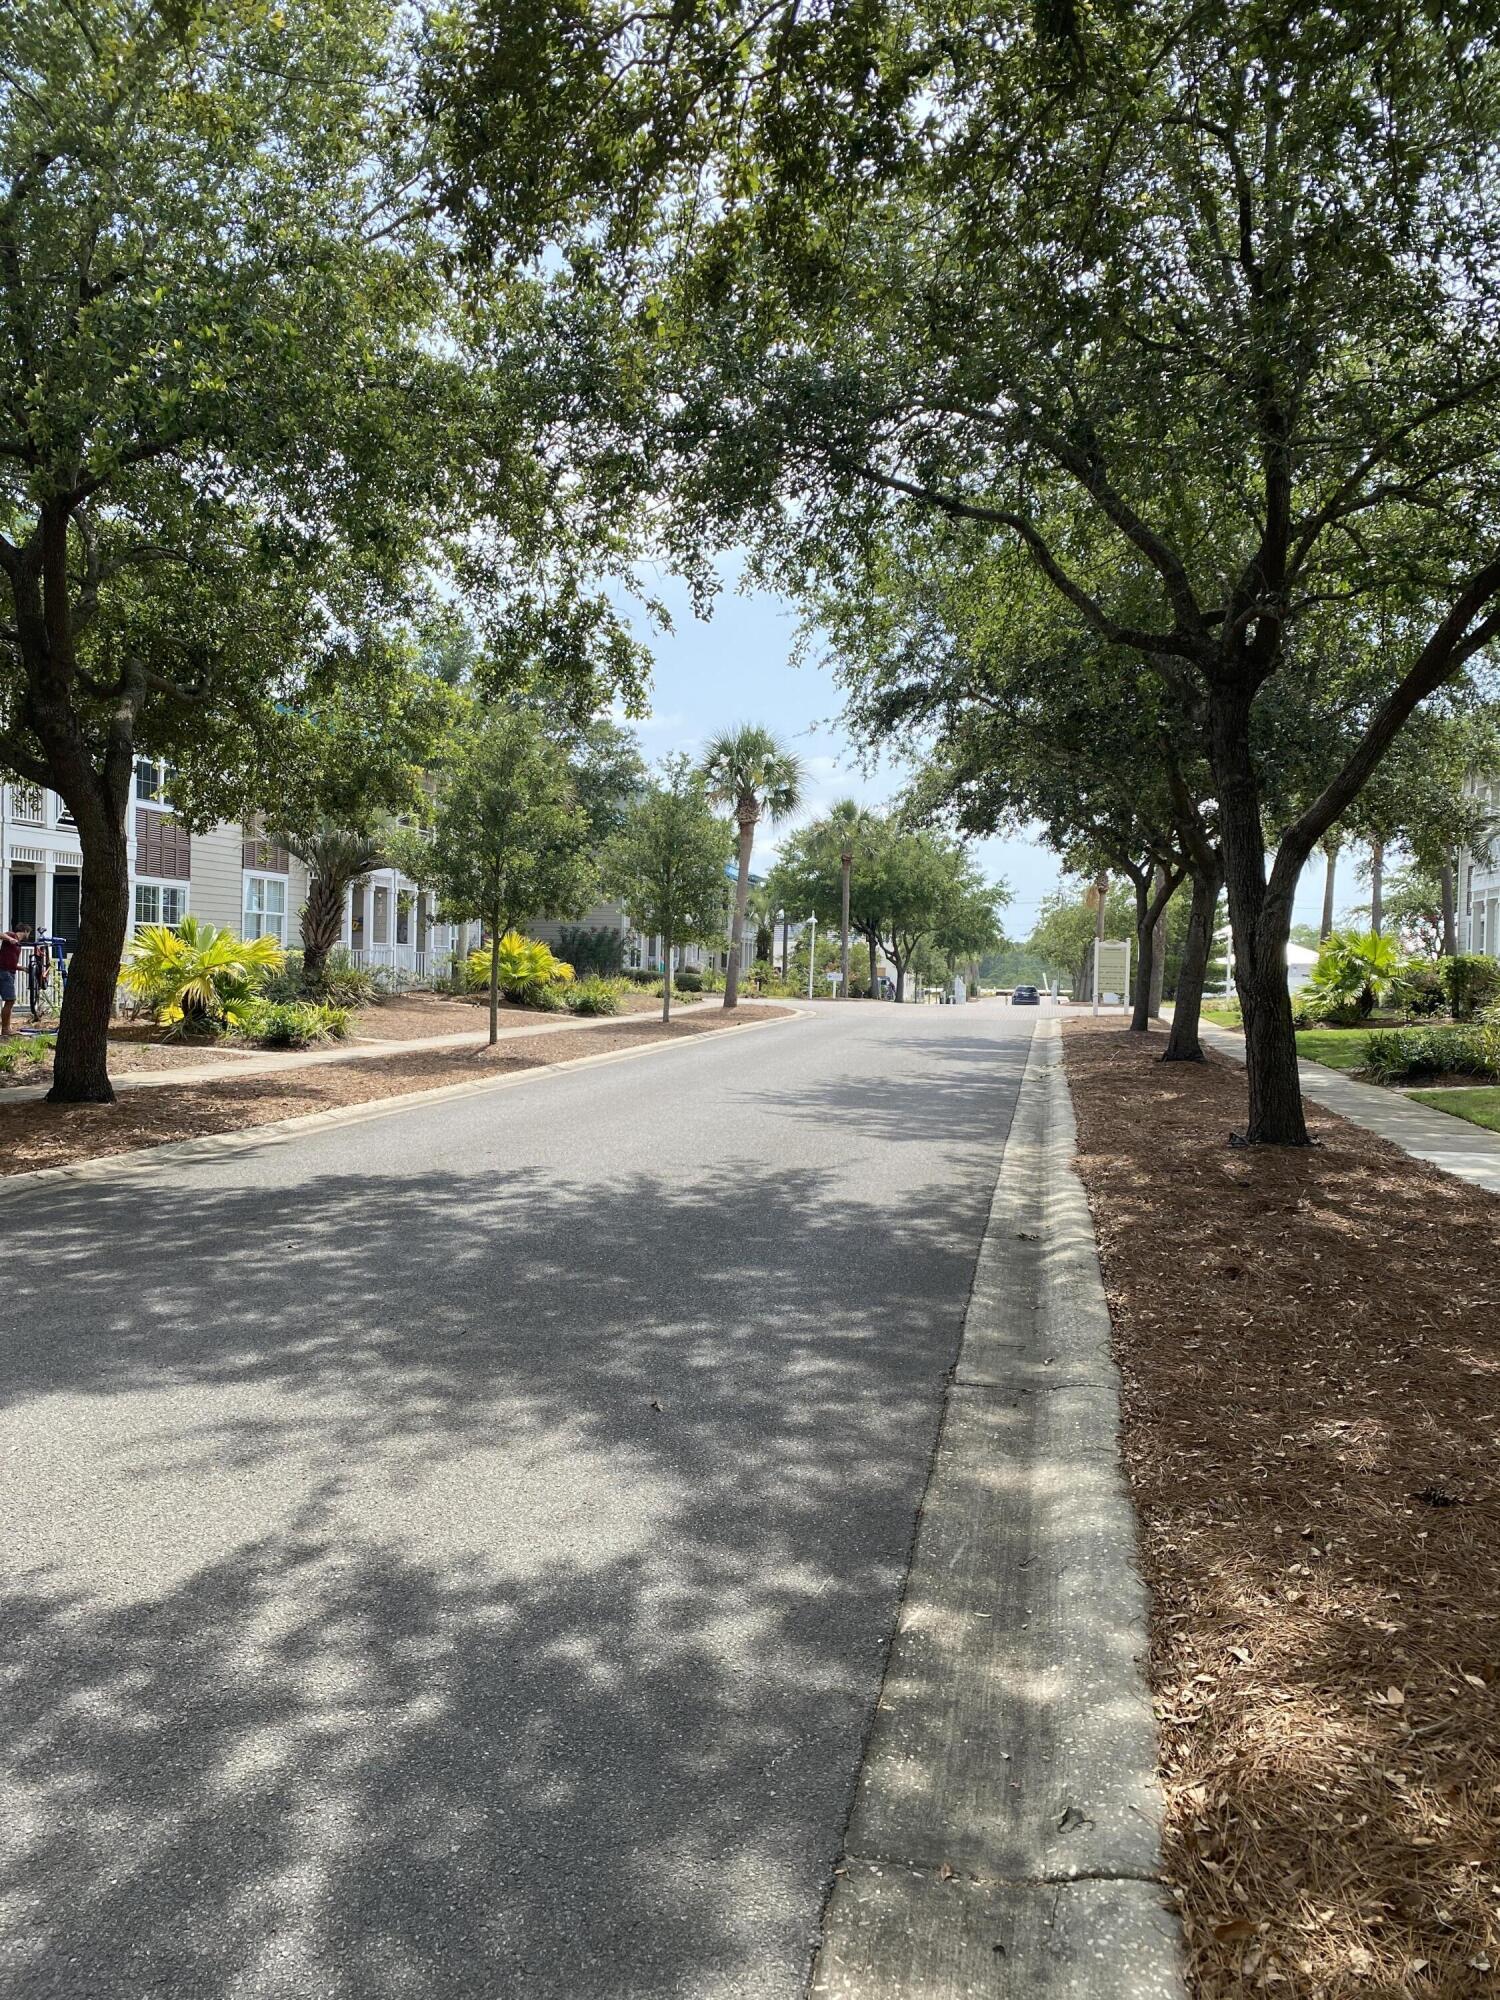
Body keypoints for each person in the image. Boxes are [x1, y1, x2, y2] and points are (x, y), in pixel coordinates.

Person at [0, 923, 32, 1037]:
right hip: (4, 973)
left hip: (9, 972)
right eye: (29, 933)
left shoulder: (19, 945)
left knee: (10, 1001)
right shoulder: (11, 935)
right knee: (10, 1000)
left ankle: (6, 1028)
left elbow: (12, 962)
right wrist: (10, 939)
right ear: (25, 931)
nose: (29, 935)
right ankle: (5, 1029)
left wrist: (23, 968)